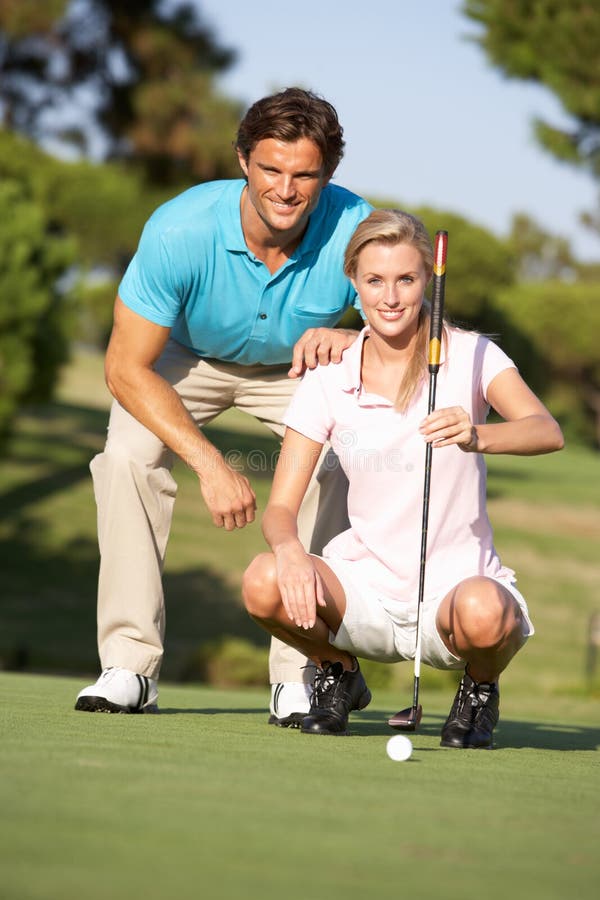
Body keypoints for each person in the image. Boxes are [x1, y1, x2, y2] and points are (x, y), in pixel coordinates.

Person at [75, 87, 372, 720]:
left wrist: (355, 335)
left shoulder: (356, 228)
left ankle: (304, 671)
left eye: (304, 175)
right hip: (185, 360)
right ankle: (128, 666)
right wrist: (212, 465)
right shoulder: (180, 229)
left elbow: (418, 327)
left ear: (328, 174)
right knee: (127, 456)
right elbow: (123, 367)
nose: (286, 190)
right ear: (242, 159)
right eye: (271, 169)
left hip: (298, 368)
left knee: (337, 461)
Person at [242, 209, 564, 747]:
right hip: (363, 587)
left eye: (406, 280)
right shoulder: (328, 379)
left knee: (487, 613)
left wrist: (477, 435)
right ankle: (338, 671)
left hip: (455, 593)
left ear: (427, 283)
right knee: (263, 580)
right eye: (375, 281)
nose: (390, 297)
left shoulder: (472, 355)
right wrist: (291, 552)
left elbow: (545, 430)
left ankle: (479, 688)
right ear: (354, 284)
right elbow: (279, 509)